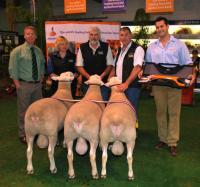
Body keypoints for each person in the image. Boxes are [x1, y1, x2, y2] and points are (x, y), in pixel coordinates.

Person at [145, 16, 195, 156]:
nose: (159, 29)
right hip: (158, 85)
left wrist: (191, 75)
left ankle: (172, 142)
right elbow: (149, 66)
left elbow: (187, 63)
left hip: (175, 84)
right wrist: (146, 76)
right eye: (157, 27)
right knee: (160, 112)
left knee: (174, 113)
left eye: (162, 26)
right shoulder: (151, 47)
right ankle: (163, 139)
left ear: (167, 27)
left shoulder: (179, 45)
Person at [9, 26, 45, 144]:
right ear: (24, 36)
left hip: (37, 86)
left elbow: (41, 66)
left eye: (32, 34)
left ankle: (35, 132)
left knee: (37, 110)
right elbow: (13, 69)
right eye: (27, 34)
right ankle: (23, 133)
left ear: (35, 36)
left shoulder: (38, 51)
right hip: (24, 85)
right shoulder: (17, 51)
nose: (30, 36)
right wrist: (17, 84)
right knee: (24, 110)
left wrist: (41, 79)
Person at [109, 27, 145, 113]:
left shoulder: (137, 49)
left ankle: (133, 127)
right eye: (121, 35)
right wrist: (110, 78)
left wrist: (126, 83)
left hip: (131, 87)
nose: (124, 37)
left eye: (126, 35)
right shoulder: (119, 49)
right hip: (119, 87)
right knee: (119, 111)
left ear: (130, 36)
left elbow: (137, 67)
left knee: (130, 112)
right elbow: (115, 67)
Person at [76, 26, 114, 101]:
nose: (93, 37)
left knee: (102, 104)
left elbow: (110, 65)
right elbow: (79, 66)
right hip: (88, 83)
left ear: (99, 36)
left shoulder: (106, 46)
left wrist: (101, 77)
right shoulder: (82, 47)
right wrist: (90, 78)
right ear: (88, 36)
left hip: (102, 83)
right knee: (89, 105)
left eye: (96, 35)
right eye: (91, 35)